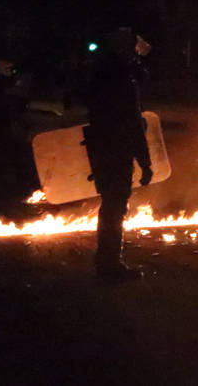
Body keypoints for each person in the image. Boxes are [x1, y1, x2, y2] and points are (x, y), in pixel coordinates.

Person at [83, 28, 154, 280]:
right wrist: (145, 163)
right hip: (117, 147)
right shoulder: (120, 76)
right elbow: (132, 121)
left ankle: (106, 260)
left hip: (102, 146)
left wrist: (135, 61)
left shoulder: (103, 70)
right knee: (115, 204)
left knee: (110, 204)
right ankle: (110, 265)